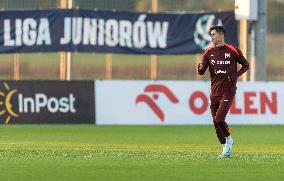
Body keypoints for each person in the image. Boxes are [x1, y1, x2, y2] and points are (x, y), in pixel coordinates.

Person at [197, 25, 249, 158]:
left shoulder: (232, 50)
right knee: (216, 122)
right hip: (214, 91)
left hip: (228, 90)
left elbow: (246, 65)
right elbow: (202, 71)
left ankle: (229, 140)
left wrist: (235, 76)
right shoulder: (208, 52)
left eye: (214, 34)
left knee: (220, 118)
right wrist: (200, 67)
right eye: (211, 34)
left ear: (221, 35)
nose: (212, 36)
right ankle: (225, 147)